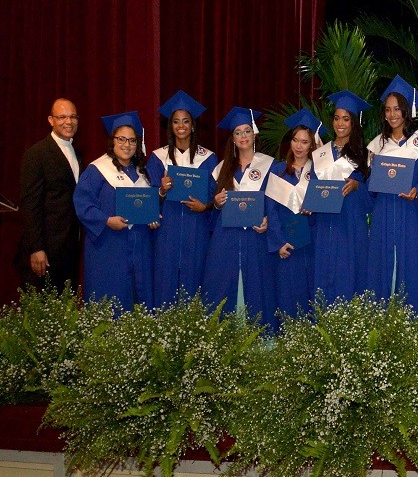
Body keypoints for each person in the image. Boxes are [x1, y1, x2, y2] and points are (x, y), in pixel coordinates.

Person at [73, 111, 158, 308]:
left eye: (132, 141)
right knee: (110, 296)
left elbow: (151, 206)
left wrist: (154, 218)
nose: (126, 145)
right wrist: (106, 220)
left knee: (139, 298)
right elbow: (83, 204)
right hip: (109, 246)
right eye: (121, 139)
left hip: (140, 246)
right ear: (112, 141)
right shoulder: (97, 170)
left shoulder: (142, 173)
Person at [203, 107, 276, 325]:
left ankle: (260, 338)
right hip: (226, 238)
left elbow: (275, 203)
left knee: (259, 284)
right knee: (223, 283)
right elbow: (210, 210)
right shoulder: (220, 170)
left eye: (246, 131)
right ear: (232, 139)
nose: (243, 136)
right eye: (238, 132)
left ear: (254, 134)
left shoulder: (271, 165)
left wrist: (268, 221)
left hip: (256, 237)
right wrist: (215, 204)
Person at [366, 75, 418, 305]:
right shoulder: (377, 146)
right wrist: (372, 169)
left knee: (411, 265)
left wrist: (417, 189)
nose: (392, 114)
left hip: (409, 212)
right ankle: (381, 321)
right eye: (388, 110)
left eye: (397, 109)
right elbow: (371, 190)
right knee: (380, 265)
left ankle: (411, 324)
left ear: (406, 110)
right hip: (383, 212)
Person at [147, 90, 218, 303]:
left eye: (186, 121)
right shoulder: (158, 158)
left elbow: (215, 197)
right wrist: (161, 190)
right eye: (176, 121)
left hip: (196, 226)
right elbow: (149, 198)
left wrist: (204, 207)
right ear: (171, 126)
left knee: (196, 275)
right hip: (167, 227)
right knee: (164, 276)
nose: (181, 126)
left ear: (193, 125)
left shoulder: (208, 158)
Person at [311, 90, 373, 303]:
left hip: (351, 225)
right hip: (324, 224)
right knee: (323, 271)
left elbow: (372, 199)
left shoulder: (365, 155)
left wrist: (357, 185)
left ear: (354, 122)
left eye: (346, 119)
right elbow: (312, 189)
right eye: (337, 118)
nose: (340, 123)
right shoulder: (320, 154)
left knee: (350, 272)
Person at [18, 98, 82, 290]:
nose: (68, 122)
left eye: (72, 117)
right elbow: (30, 204)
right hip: (45, 252)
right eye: (62, 117)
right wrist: (36, 248)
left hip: (69, 248)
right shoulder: (36, 154)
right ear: (50, 120)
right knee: (43, 314)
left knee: (66, 311)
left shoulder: (77, 154)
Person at [265, 109, 321, 322]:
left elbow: (324, 208)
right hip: (286, 244)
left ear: (312, 145)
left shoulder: (317, 173)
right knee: (287, 295)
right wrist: (278, 242)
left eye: (305, 142)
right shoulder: (278, 171)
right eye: (295, 140)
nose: (299, 146)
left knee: (312, 294)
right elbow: (270, 210)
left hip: (312, 243)